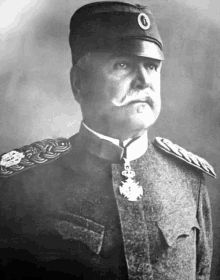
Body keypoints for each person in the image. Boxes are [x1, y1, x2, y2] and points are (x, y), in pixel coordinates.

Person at [0, 1, 216, 280]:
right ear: (79, 82)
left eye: (151, 66)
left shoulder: (188, 181)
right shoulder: (21, 185)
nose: (143, 81)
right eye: (123, 64)